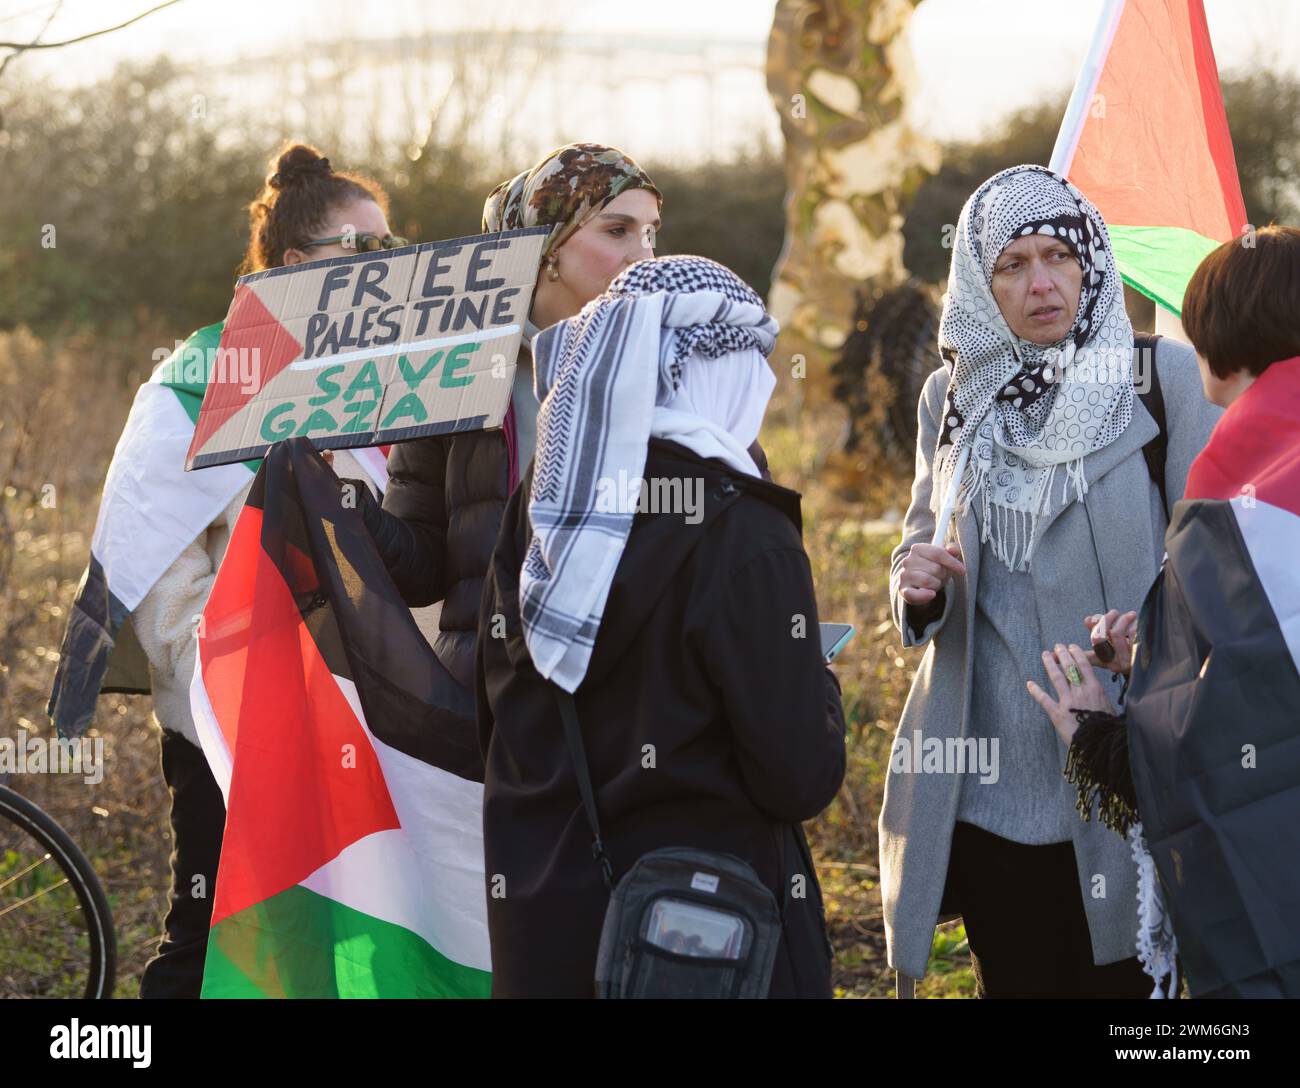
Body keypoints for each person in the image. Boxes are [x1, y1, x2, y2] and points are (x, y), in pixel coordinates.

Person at [878, 164, 1221, 998]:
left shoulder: (1162, 380)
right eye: (1013, 263)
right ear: (977, 279)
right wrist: (914, 582)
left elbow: (1213, 559)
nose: (1042, 283)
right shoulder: (951, 399)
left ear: (1091, 264)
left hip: (1126, 761)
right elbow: (923, 538)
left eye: (1060, 257)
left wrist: (1153, 629)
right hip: (991, 781)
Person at [474, 255, 846, 997]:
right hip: (702, 942)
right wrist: (820, 683)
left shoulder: (541, 510)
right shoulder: (744, 533)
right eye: (752, 364)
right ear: (714, 372)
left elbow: (493, 717)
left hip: (549, 933)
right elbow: (800, 775)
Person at [131, 143, 401, 996]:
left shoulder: (393, 377)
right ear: (295, 265)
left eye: (390, 245)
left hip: (361, 714)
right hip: (234, 715)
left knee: (339, 941)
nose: (384, 266)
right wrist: (221, 684)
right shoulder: (198, 376)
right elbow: (157, 560)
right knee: (214, 937)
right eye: (360, 249)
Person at [1029, 225, 1300, 998]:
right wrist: (1161, 656)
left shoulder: (1245, 484)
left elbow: (1229, 746)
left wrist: (1098, 735)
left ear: (1218, 337)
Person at [355, 143, 669, 716]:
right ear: (548, 248)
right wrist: (346, 502)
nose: (642, 255)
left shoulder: (679, 368)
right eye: (618, 230)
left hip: (636, 704)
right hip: (490, 713)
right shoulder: (453, 372)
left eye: (650, 233)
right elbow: (420, 573)